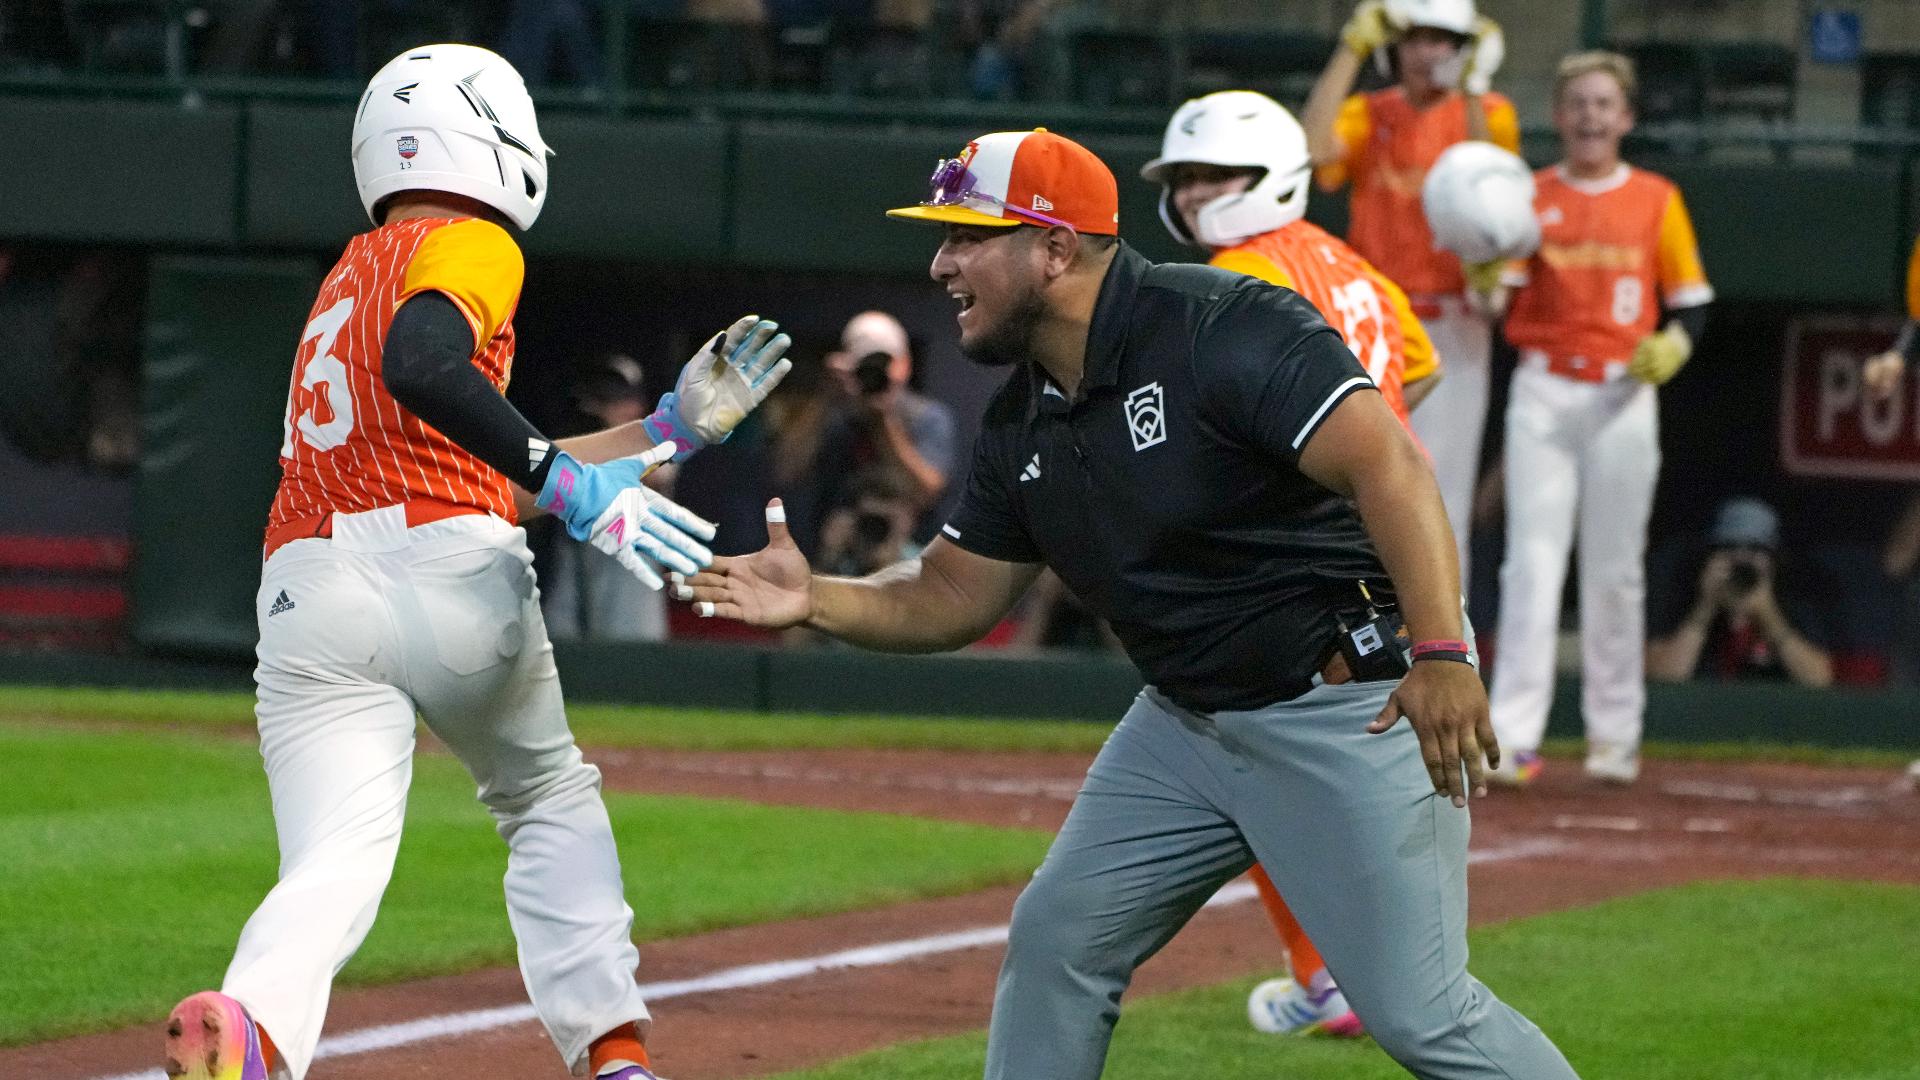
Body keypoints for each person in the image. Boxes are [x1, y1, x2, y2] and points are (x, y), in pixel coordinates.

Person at [679, 127, 1578, 1080]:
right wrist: (815, 596)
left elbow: (1389, 465)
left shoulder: (1221, 324)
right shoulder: (1024, 413)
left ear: (1056, 248)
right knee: (1060, 941)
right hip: (1188, 721)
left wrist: (1443, 652)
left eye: (965, 236)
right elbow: (950, 594)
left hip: (1348, 699)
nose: (940, 263)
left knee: (1421, 1015)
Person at [159, 44, 791, 1080]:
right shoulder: (474, 242)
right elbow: (428, 368)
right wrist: (573, 481)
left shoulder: (340, 277)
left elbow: (476, 451)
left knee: (333, 859)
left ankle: (256, 1030)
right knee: (545, 797)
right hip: (450, 571)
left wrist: (666, 433)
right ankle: (616, 1054)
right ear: (491, 137)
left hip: (307, 586)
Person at [1139, 87, 1447, 1039]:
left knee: (1251, 754)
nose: (1194, 197)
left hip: (1307, 551)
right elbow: (1420, 366)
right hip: (1392, 537)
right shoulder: (1349, 262)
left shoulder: (1234, 275)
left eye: (1213, 177)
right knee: (1317, 768)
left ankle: (1343, 979)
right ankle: (1344, 975)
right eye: (1185, 181)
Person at [1480, 51, 1714, 786]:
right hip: (1544, 389)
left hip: (1622, 394)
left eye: (1604, 104)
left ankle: (1616, 737)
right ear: (1559, 114)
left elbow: (1693, 300)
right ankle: (1515, 734)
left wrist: (1675, 342)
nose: (1590, 116)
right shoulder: (1528, 196)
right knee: (1532, 564)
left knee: (1616, 571)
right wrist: (1482, 271)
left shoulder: (1655, 197)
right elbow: (1497, 302)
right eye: (1578, 102)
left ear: (1627, 117)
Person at [1303, 0, 1515, 582]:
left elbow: (1489, 192)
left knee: (1444, 495)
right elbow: (1314, 152)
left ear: (1463, 47)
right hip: (1372, 316)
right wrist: (1351, 49)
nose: (1427, 52)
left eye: (1442, 39)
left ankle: (1452, 651)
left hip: (1453, 320)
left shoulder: (1489, 111)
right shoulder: (1370, 112)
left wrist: (1472, 89)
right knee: (1360, 487)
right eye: (1415, 37)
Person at [540, 354, 677, 642]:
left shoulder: (656, 444)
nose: (630, 407)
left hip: (631, 589)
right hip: (576, 577)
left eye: (633, 399)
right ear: (593, 404)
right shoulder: (573, 443)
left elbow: (656, 474)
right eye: (617, 400)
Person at [1645, 497, 1835, 688]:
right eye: (1730, 548)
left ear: (1773, 560)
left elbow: (1818, 681)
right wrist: (1705, 607)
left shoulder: (1793, 609)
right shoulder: (1682, 605)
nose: (1741, 559)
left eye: (1755, 549)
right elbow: (1663, 681)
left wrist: (1767, 614)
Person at [816, 309, 957, 541]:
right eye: (867, 363)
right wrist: (826, 395)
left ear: (905, 364)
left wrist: (883, 420)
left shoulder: (929, 417)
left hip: (907, 552)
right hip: (843, 552)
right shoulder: (841, 419)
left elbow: (927, 490)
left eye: (884, 362)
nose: (877, 373)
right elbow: (787, 472)